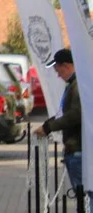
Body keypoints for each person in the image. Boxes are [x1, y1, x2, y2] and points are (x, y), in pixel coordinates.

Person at [34, 48, 82, 189]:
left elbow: (75, 114)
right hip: (74, 148)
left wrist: (49, 127)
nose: (58, 76)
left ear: (66, 66)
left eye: (58, 71)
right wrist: (48, 124)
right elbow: (64, 113)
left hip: (77, 147)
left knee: (85, 193)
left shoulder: (77, 86)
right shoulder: (73, 85)